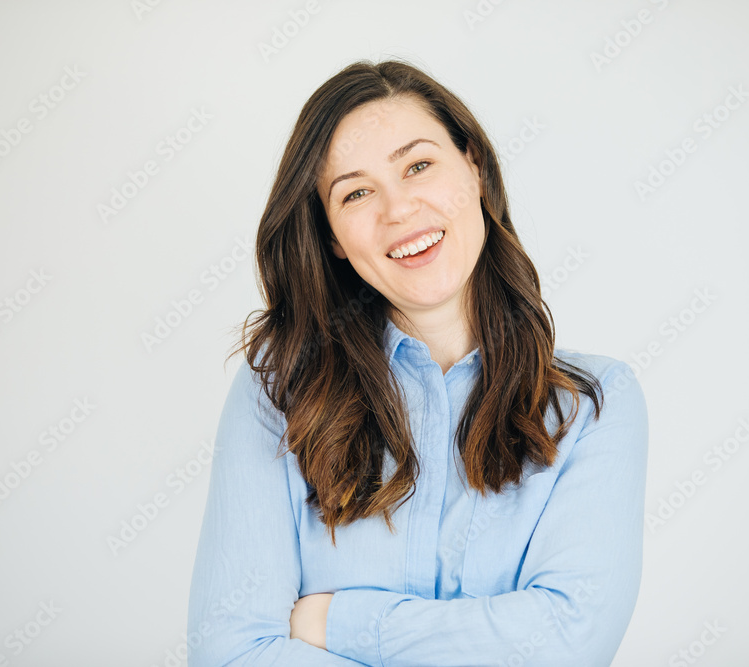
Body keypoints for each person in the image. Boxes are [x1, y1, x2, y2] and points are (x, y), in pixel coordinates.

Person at [186, 58, 649, 666]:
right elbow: (231, 653)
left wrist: (341, 621)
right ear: (332, 238)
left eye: (418, 165)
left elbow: (567, 640)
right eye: (355, 192)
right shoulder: (277, 392)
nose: (398, 209)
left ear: (474, 170)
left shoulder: (594, 405)